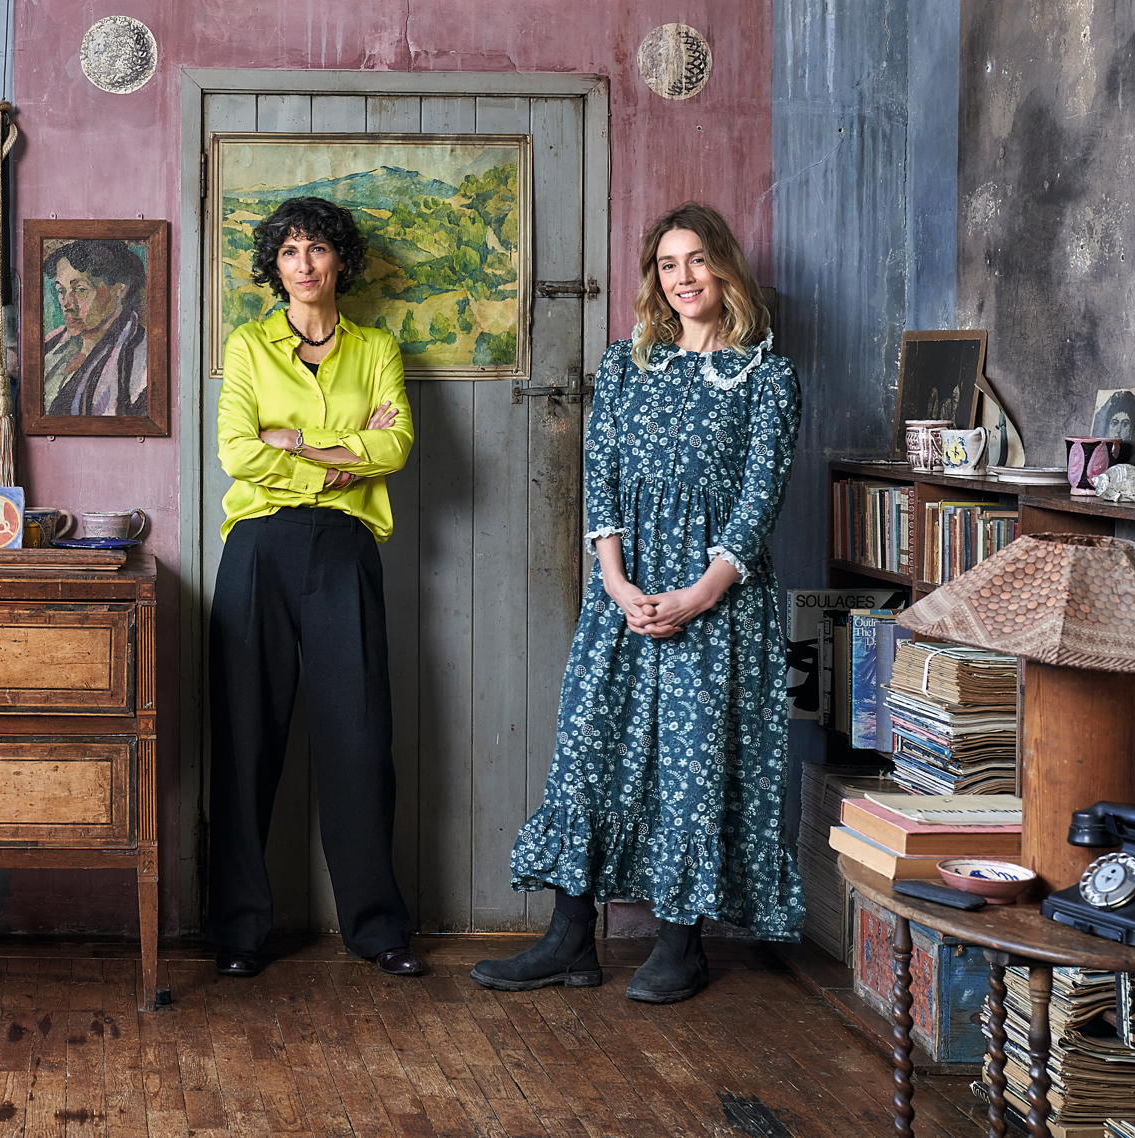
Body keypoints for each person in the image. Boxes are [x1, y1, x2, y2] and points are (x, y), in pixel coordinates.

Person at [475, 202, 801, 1005]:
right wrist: (617, 585)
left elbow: (758, 506)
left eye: (696, 261)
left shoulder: (768, 377)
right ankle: (567, 937)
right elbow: (602, 480)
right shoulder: (627, 364)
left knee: (693, 765)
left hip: (715, 602)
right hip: (623, 597)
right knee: (591, 748)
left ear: (725, 268)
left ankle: (680, 943)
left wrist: (695, 597)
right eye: (666, 265)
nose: (682, 278)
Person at [206, 195, 420, 979]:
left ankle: (376, 928)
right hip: (258, 547)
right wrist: (338, 452)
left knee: (358, 739)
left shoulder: (376, 348)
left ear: (340, 263)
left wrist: (291, 441)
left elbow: (395, 446)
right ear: (276, 265)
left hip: (345, 548)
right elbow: (237, 454)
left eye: (319, 250)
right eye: (291, 251)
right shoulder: (248, 346)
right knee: (244, 739)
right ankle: (237, 929)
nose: (305, 264)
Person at [41, 238, 151, 419]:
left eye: (81, 290)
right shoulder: (51, 342)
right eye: (62, 291)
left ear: (119, 290)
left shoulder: (141, 358)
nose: (67, 304)